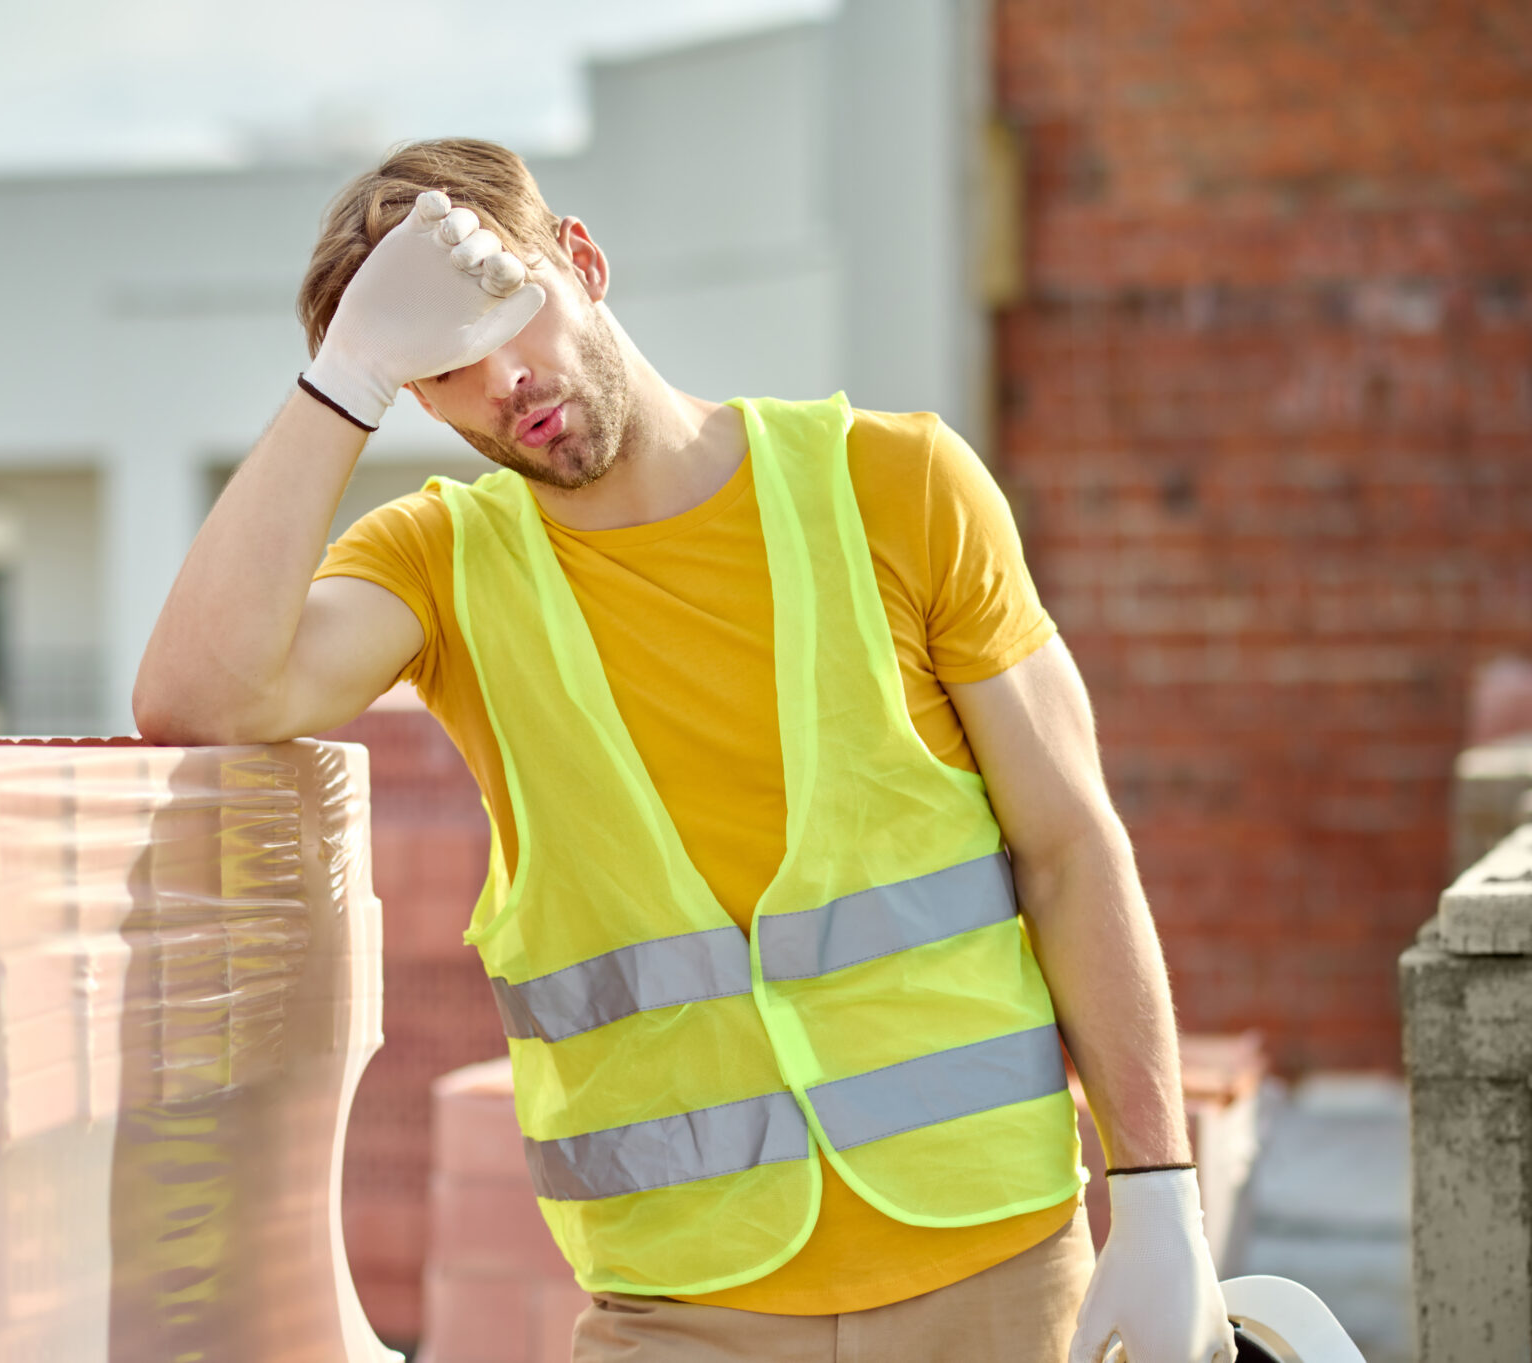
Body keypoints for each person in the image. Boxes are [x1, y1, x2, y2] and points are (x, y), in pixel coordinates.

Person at [133, 138, 1235, 1363]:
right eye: (438, 365)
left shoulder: (899, 485)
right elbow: (198, 700)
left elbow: (1071, 847)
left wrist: (1157, 1192)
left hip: (991, 1269)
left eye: (512, 313)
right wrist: (344, 375)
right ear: (420, 400)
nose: (503, 376)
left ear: (584, 262)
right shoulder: (437, 569)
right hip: (678, 1304)